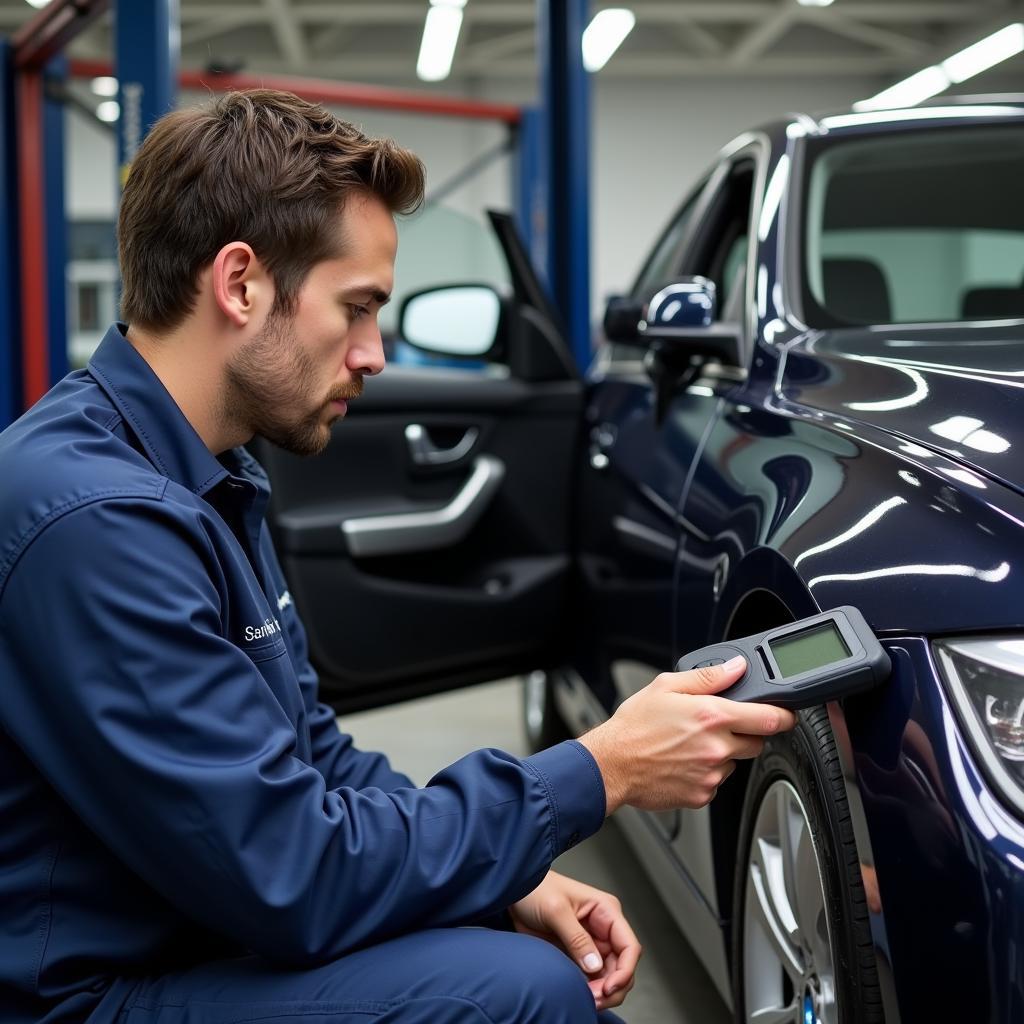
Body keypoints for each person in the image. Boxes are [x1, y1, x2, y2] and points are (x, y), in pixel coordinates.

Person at [0, 90, 796, 1024]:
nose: (376, 355)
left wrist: (513, 881)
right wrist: (601, 770)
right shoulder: (96, 524)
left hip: (190, 929)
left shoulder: (210, 475)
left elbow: (313, 757)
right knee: (523, 994)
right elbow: (292, 874)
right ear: (241, 283)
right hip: (87, 997)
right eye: (359, 308)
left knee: (508, 940)